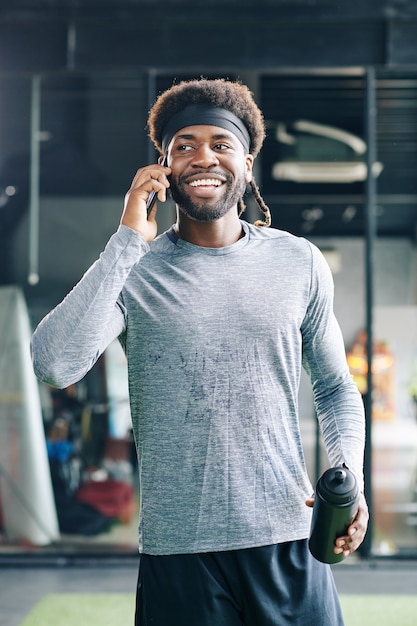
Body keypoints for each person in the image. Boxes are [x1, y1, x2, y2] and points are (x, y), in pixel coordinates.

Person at [31, 78, 368, 625]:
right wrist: (126, 241)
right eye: (183, 145)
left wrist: (348, 476)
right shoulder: (133, 271)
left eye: (220, 143)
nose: (202, 157)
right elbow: (53, 363)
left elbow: (334, 388)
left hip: (286, 539)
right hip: (179, 554)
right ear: (162, 168)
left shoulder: (298, 262)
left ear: (248, 163)